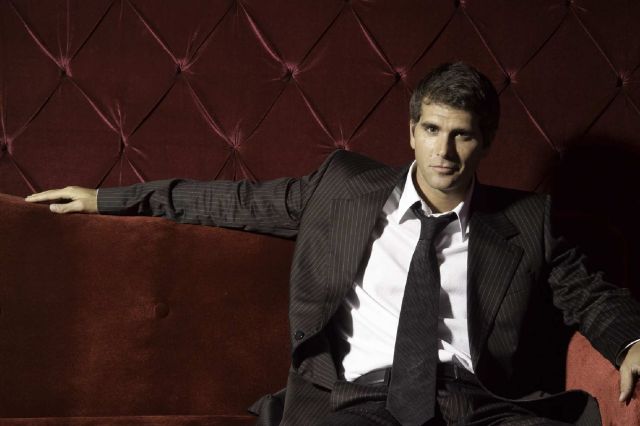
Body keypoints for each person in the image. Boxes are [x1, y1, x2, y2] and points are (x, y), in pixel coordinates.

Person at [25, 62, 640, 425]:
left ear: (487, 141)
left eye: (463, 136)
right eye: (432, 130)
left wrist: (633, 342)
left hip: (476, 403)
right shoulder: (342, 188)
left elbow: (590, 293)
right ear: (412, 131)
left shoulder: (527, 220)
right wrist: (108, 199)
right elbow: (234, 201)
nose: (445, 152)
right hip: (361, 400)